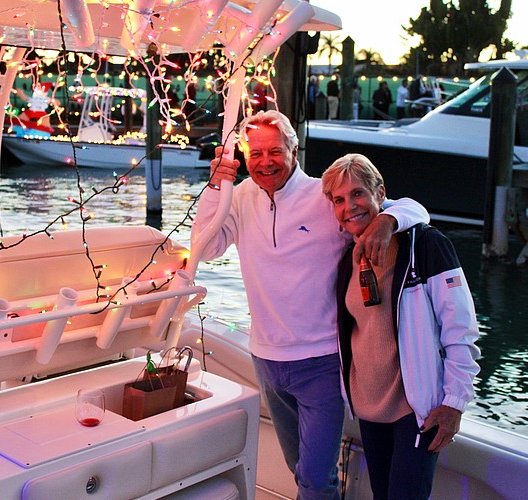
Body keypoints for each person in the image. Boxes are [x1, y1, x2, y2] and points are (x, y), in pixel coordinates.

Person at [193, 111, 429, 499]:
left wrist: (388, 221)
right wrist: (217, 186)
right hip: (266, 359)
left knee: (316, 480)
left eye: (275, 151)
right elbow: (206, 248)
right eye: (256, 153)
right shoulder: (240, 197)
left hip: (322, 362)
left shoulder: (324, 196)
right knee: (299, 468)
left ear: (294, 149)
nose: (265, 162)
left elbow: (414, 209)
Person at [320, 153, 480, 500]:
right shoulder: (348, 256)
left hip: (417, 410)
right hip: (370, 409)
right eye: (339, 200)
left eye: (358, 193)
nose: (350, 206)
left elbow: (461, 332)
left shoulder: (426, 246)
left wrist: (454, 403)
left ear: (380, 193)